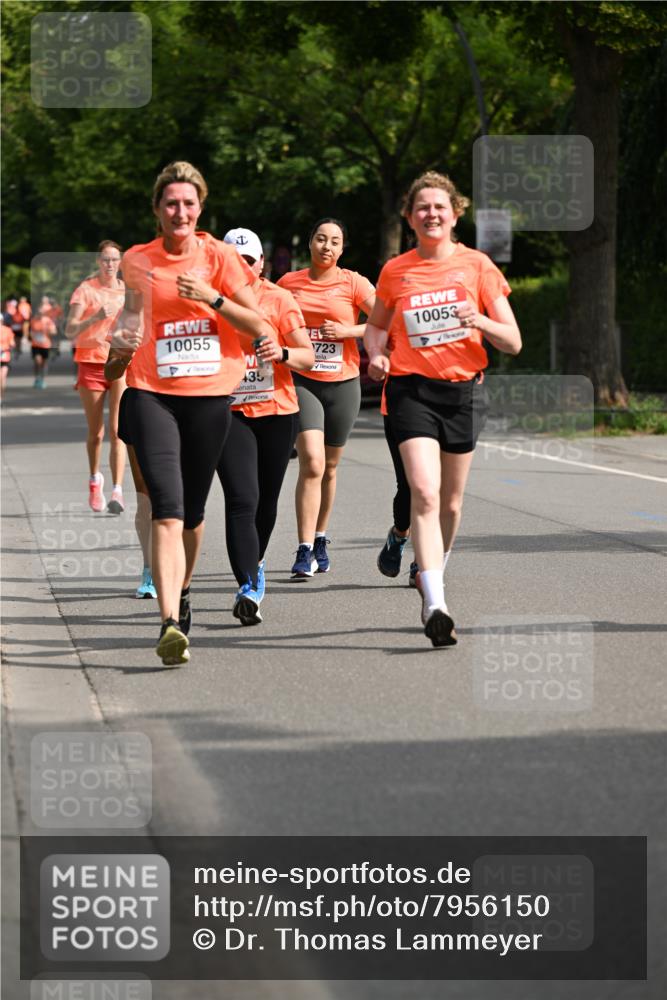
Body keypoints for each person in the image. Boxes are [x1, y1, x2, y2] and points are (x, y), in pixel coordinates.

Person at [108, 160, 272, 666]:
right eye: (170, 203)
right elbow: (128, 330)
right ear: (157, 209)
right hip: (153, 393)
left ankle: (181, 590)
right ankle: (169, 622)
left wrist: (213, 297)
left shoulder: (221, 257)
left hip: (210, 398)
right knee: (167, 507)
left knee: (194, 515)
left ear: (200, 208)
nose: (180, 211)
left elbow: (259, 326)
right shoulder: (137, 261)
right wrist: (119, 347)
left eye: (189, 203)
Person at [364, 171, 521, 647]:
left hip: (464, 393)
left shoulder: (478, 266)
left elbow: (513, 340)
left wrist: (481, 321)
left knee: (450, 503)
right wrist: (375, 354)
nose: (431, 214)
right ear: (410, 217)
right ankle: (435, 602)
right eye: (422, 208)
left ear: (455, 213)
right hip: (411, 390)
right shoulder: (396, 271)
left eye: (440, 207)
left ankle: (430, 570)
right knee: (425, 495)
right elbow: (375, 327)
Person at [217, 228, 314, 624]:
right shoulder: (210, 300)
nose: (242, 266)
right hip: (228, 411)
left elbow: (307, 358)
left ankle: (254, 563)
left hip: (277, 411)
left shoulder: (280, 299)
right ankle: (247, 584)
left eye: (249, 260)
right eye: (233, 259)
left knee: (265, 500)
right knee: (241, 498)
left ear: (261, 263)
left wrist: (283, 352)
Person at [277, 218, 375, 578]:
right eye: (321, 239)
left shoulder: (353, 283)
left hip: (343, 383)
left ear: (342, 249)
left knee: (330, 468)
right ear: (310, 243)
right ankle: (303, 550)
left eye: (335, 241)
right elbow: (270, 317)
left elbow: (385, 320)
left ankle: (320, 538)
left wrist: (348, 330)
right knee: (312, 463)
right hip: (302, 380)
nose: (327, 246)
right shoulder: (289, 284)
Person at [66, 241, 127, 513]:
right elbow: (70, 329)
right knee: (96, 433)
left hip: (120, 361)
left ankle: (117, 491)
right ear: (98, 262)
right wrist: (97, 317)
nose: (110, 264)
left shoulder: (128, 291)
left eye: (114, 259)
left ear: (120, 262)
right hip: (91, 363)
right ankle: (94, 479)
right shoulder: (86, 290)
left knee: (118, 430)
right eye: (105, 259)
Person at [29, 305, 56, 388]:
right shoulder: (33, 321)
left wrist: (49, 331)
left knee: (44, 363)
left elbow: (54, 332)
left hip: (46, 345)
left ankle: (43, 379)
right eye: (38, 312)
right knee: (37, 361)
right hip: (35, 344)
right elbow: (30, 331)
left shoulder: (48, 321)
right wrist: (31, 335)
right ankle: (37, 378)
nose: (39, 314)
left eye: (41, 312)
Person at [0, 319, 15, 399]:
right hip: (5, 355)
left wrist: (8, 346)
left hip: (4, 357)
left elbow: (12, 343)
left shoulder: (7, 330)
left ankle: (0, 398)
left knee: (2, 378)